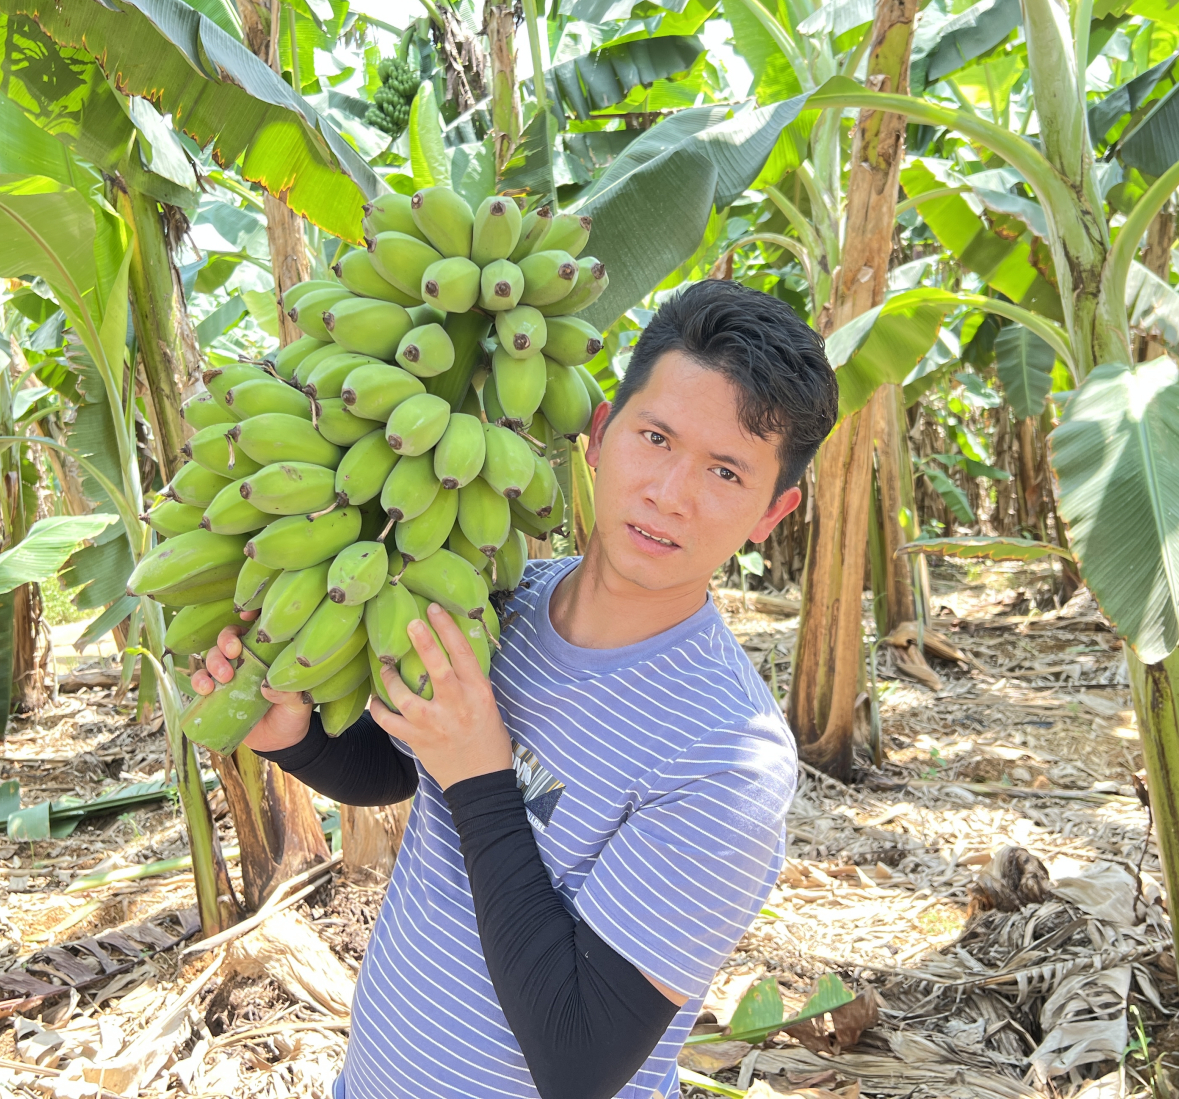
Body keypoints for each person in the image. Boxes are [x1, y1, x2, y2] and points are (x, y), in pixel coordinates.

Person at [191, 279, 839, 1099]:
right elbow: (404, 770)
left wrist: (481, 775)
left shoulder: (727, 759)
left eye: (724, 471)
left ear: (769, 514)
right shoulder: (504, 600)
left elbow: (579, 1063)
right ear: (599, 436)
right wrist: (296, 737)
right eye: (655, 437)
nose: (669, 494)